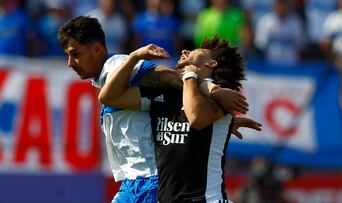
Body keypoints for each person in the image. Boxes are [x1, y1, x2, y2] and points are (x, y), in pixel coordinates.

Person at [58, 16, 255, 203]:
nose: (70, 63)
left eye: (75, 54)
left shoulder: (117, 65)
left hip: (150, 179)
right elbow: (181, 112)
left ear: (97, 49)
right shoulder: (163, 95)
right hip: (136, 182)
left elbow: (168, 77)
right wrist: (223, 123)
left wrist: (211, 89)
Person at [99, 36, 262, 202]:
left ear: (211, 64)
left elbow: (196, 118)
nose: (185, 51)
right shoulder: (165, 92)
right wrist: (134, 57)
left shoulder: (222, 94)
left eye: (193, 52)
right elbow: (109, 97)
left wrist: (190, 75)